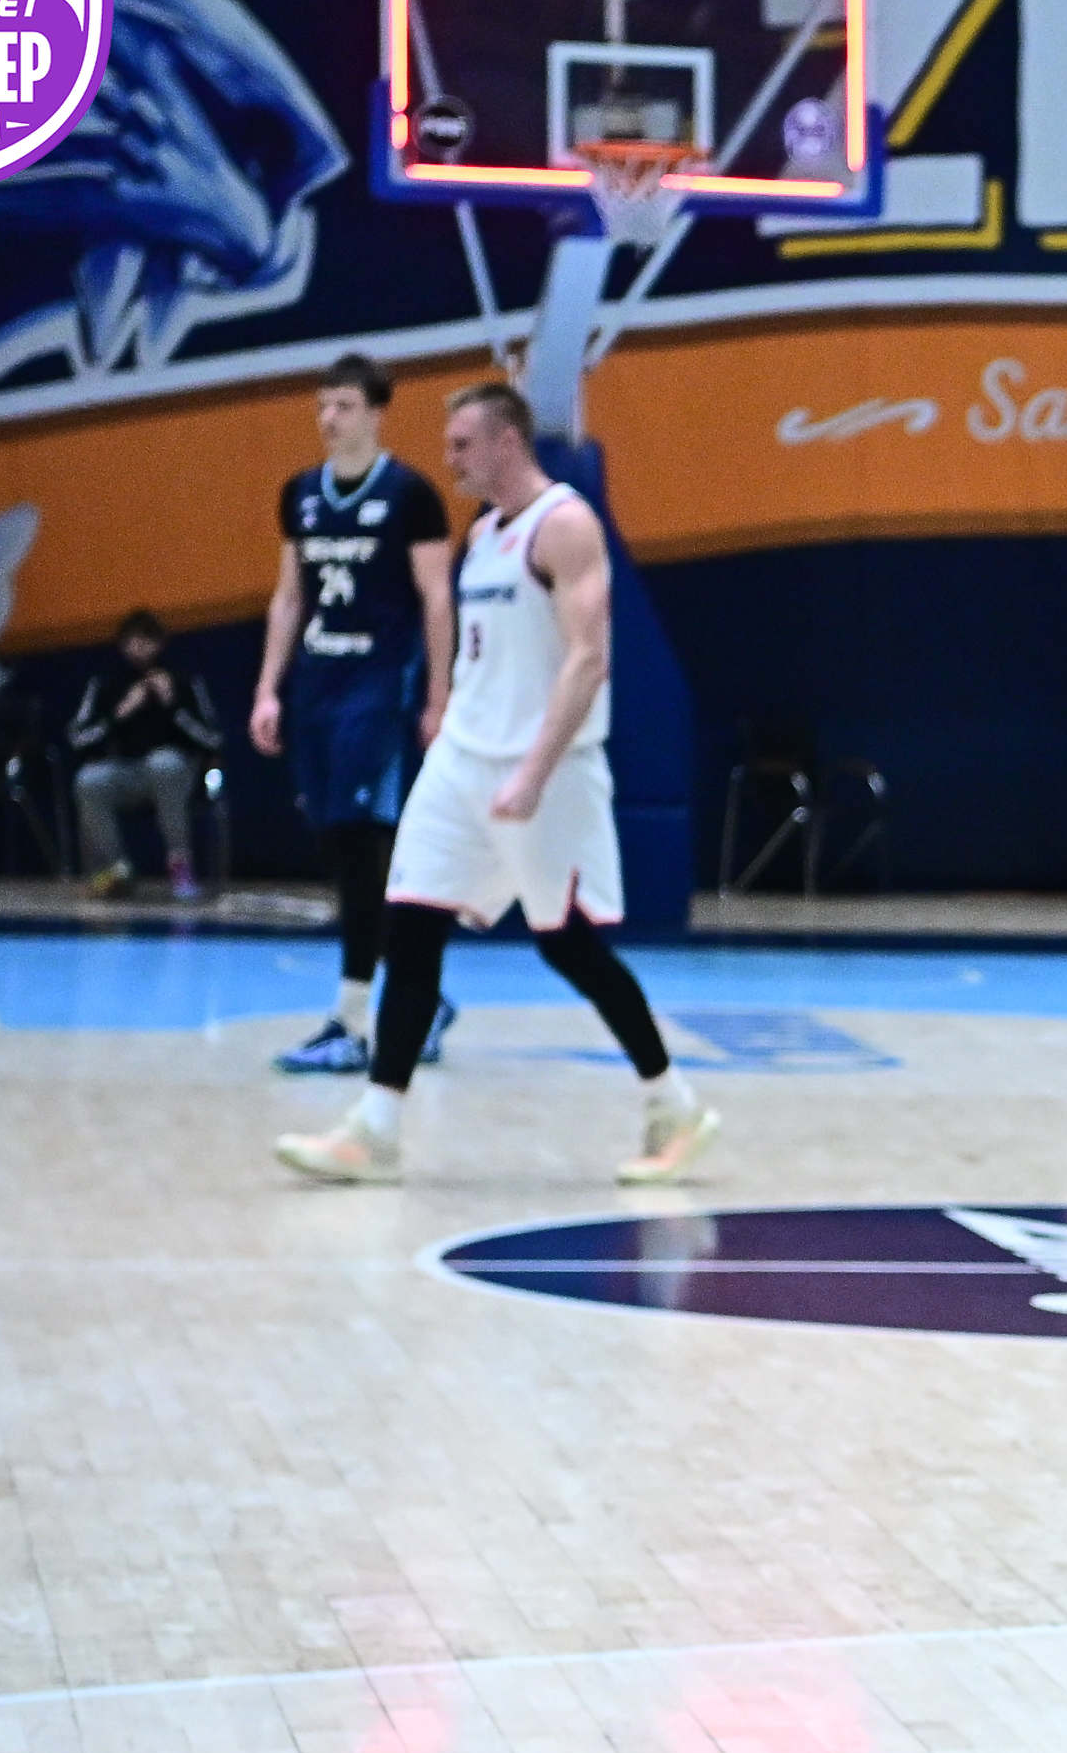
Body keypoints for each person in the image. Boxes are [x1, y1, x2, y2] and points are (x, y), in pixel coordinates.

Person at [272, 384, 713, 1187]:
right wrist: (447, 719)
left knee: (568, 946)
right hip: (463, 763)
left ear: (507, 442)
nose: (450, 459)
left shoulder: (566, 525)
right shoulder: (482, 534)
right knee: (410, 925)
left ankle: (672, 1104)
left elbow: (588, 659)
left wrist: (534, 771)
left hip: (544, 769)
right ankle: (375, 1130)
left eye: (463, 444)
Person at [254, 355, 455, 1074]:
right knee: (342, 853)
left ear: (376, 412)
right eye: (322, 406)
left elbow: (437, 599)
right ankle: (423, 996)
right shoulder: (300, 493)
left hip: (379, 683)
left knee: (366, 848)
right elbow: (289, 596)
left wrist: (438, 695)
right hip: (317, 683)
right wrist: (268, 688)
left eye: (342, 405)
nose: (328, 418)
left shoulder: (412, 494)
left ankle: (351, 1021)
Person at [66, 608, 225, 901]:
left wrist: (173, 706)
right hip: (126, 772)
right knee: (89, 781)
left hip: (177, 774)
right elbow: (78, 739)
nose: (138, 648)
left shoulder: (183, 680)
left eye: (146, 640)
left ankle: (180, 864)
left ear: (159, 643)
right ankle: (116, 870)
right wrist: (119, 713)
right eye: (131, 641)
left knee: (163, 763)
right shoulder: (106, 682)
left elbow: (213, 739)